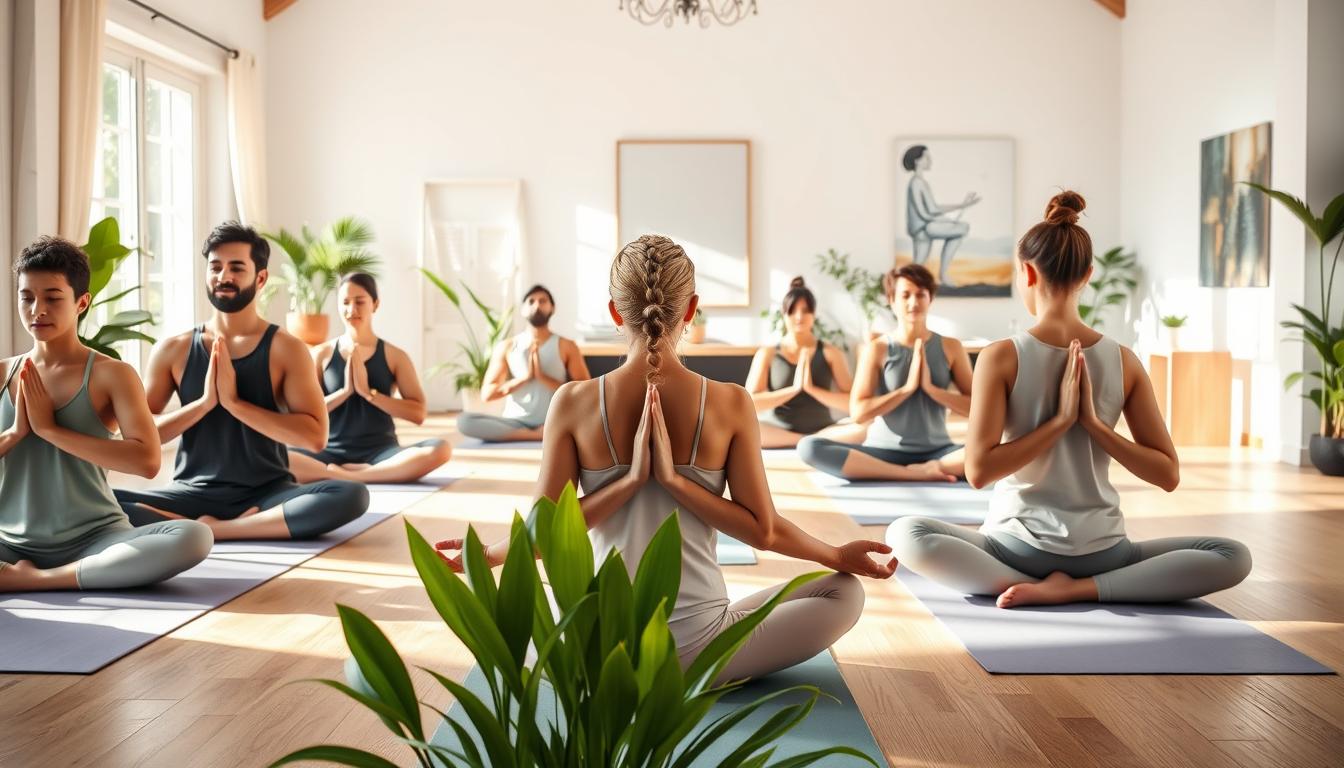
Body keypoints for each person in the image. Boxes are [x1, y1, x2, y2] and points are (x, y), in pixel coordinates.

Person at [437, 235, 896, 681]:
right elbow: (763, 530)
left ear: (616, 312)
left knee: (532, 601)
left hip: (591, 648)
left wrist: (489, 554)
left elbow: (544, 533)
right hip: (698, 651)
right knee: (843, 591)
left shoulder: (572, 402)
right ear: (691, 310)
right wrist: (837, 552)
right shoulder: (731, 402)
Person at [887, 192, 1251, 608]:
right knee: (1232, 556)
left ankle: (1031, 586)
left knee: (905, 533)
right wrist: (1091, 426)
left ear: (1026, 273)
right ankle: (1088, 588)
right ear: (1089, 274)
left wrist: (1067, 423)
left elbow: (979, 471)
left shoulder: (1000, 356)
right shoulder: (1123, 360)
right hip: (1104, 554)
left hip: (1017, 549)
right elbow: (1167, 474)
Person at [114, 222, 369, 541]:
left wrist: (235, 404)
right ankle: (227, 527)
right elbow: (140, 435)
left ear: (260, 278)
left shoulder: (286, 349)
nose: (223, 277)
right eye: (215, 267)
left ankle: (212, 530)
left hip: (267, 493)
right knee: (104, 499)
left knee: (351, 494)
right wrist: (204, 405)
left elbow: (315, 437)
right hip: (191, 493)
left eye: (236, 268)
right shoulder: (173, 349)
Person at [0, 237, 211, 592]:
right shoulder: (3, 372)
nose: (37, 310)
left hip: (95, 539)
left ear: (82, 302)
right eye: (27, 297)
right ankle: (66, 577)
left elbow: (147, 461)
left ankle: (36, 580)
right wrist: (16, 433)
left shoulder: (112, 374)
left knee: (195, 536)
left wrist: (51, 430)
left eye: (52, 298)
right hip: (9, 541)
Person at [798, 263, 972, 482]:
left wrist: (932, 390)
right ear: (892, 300)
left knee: (1004, 447)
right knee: (809, 447)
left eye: (921, 295)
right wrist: (906, 390)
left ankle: (934, 467)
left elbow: (978, 408)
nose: (913, 303)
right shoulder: (878, 349)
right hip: (884, 453)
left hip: (938, 451)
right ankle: (911, 475)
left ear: (931, 299)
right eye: (905, 295)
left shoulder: (951, 347)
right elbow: (859, 412)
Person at [287, 274, 451, 483]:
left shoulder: (395, 356)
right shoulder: (321, 354)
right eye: (345, 302)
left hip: (381, 452)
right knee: (277, 456)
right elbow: (304, 414)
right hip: (328, 451)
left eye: (360, 301)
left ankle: (344, 475)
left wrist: (369, 394)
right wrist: (344, 392)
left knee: (440, 449)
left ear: (375, 304)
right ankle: (361, 475)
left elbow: (418, 414)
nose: (351, 309)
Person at [456, 285, 590, 442]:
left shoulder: (566, 345)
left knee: (590, 422)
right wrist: (525, 378)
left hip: (554, 419)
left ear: (552, 308)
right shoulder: (507, 346)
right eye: (531, 301)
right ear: (523, 310)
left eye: (543, 301)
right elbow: (488, 393)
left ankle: (538, 433)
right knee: (464, 421)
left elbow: (585, 391)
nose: (537, 305)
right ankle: (537, 435)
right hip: (514, 422)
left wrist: (542, 377)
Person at [745, 277, 862, 449]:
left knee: (866, 426)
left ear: (813, 315)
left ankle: (814, 439)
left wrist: (811, 389)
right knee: (748, 429)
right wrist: (794, 390)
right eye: (792, 311)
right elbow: (751, 403)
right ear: (784, 315)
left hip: (823, 430)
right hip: (778, 432)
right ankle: (807, 441)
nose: (799, 317)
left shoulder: (831, 352)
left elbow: (853, 404)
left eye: (806, 310)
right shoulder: (768, 354)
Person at [903, 144, 980, 286]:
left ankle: (942, 275)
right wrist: (949, 216)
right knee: (962, 228)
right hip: (923, 229)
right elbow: (926, 213)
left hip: (925, 227)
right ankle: (943, 275)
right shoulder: (916, 183)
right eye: (926, 157)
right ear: (917, 161)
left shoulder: (919, 182)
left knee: (917, 266)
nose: (929, 160)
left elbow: (932, 209)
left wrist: (962, 206)